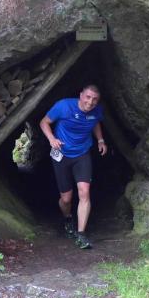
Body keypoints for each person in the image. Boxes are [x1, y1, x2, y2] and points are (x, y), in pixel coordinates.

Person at [39, 84, 107, 249]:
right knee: (66, 199)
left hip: (82, 154)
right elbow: (44, 122)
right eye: (88, 97)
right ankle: (68, 218)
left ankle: (81, 234)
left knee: (84, 192)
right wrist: (51, 139)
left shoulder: (97, 110)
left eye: (94, 99)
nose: (90, 102)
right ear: (81, 95)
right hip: (62, 154)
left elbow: (95, 122)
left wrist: (100, 140)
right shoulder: (64, 106)